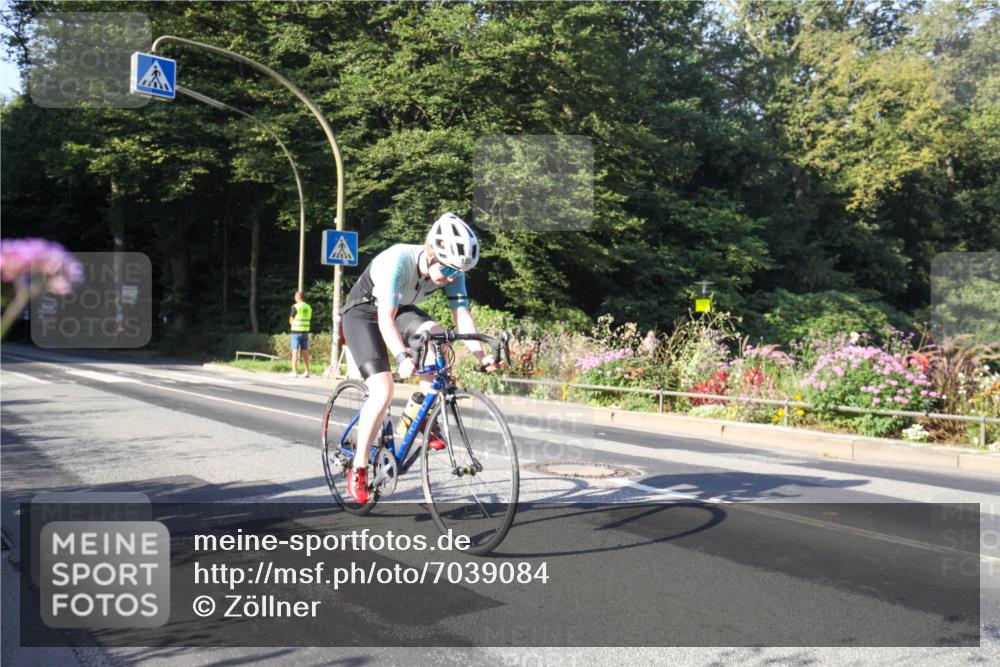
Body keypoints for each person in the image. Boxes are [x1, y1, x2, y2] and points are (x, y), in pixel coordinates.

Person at [341, 213, 500, 503]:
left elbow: (461, 315)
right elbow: (385, 320)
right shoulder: (397, 262)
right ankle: (359, 467)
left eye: (457, 272)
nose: (452, 278)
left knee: (435, 334)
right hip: (363, 312)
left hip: (399, 310)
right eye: (449, 269)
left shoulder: (454, 272)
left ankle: (420, 414)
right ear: (431, 253)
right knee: (383, 389)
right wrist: (402, 357)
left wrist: (481, 355)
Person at [288, 291, 312, 378]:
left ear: (298, 297)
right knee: (305, 351)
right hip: (305, 331)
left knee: (295, 351)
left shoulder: (295, 307)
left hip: (296, 331)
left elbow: (291, 320)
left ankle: (294, 372)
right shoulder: (308, 307)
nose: (294, 298)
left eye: (295, 296)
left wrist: (293, 323)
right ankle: (307, 372)